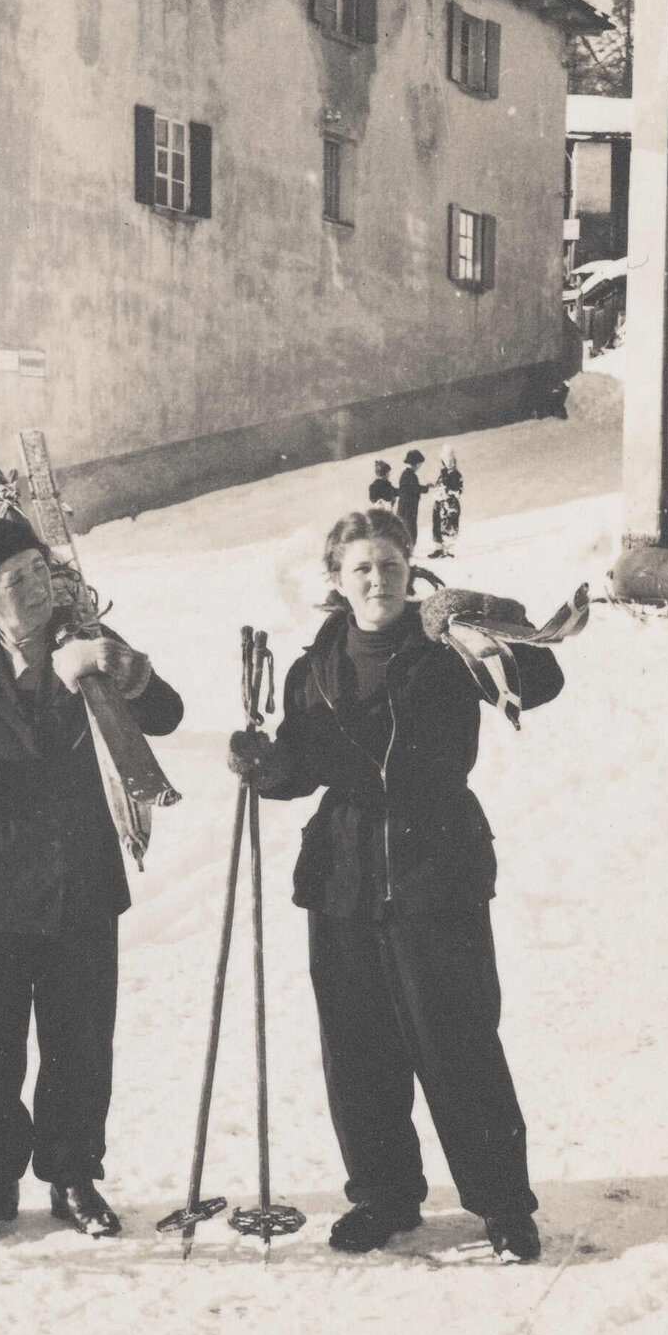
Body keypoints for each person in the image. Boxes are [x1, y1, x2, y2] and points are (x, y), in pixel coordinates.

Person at [227, 507, 564, 1261]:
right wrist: (264, 765)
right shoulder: (312, 667)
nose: (377, 578)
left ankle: (503, 1203)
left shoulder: (448, 645)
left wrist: (477, 616)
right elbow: (301, 767)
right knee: (357, 1051)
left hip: (436, 862)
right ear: (337, 581)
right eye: (361, 567)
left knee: (460, 1044)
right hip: (343, 872)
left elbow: (541, 678)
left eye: (388, 563)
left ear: (410, 569)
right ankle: (383, 1196)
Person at [0, 515, 183, 1244]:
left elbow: (167, 712)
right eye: (17, 579)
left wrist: (122, 670)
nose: (38, 586)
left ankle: (72, 1175)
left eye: (41, 568)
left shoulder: (88, 641)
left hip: (80, 870)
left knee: (78, 1035)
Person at [429, 443, 463, 558]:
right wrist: (437, 491)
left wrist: (449, 492)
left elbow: (458, 491)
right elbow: (438, 485)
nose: (449, 463)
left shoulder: (456, 475)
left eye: (451, 460)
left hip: (450, 505)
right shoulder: (442, 474)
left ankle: (448, 549)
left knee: (448, 525)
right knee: (437, 524)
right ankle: (438, 548)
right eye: (446, 460)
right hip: (439, 503)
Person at [395, 448, 429, 544]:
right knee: (410, 530)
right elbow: (415, 488)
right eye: (420, 464)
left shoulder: (406, 474)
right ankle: (409, 549)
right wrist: (426, 488)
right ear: (417, 464)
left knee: (406, 529)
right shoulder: (410, 475)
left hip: (405, 507)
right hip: (408, 508)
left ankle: (407, 548)